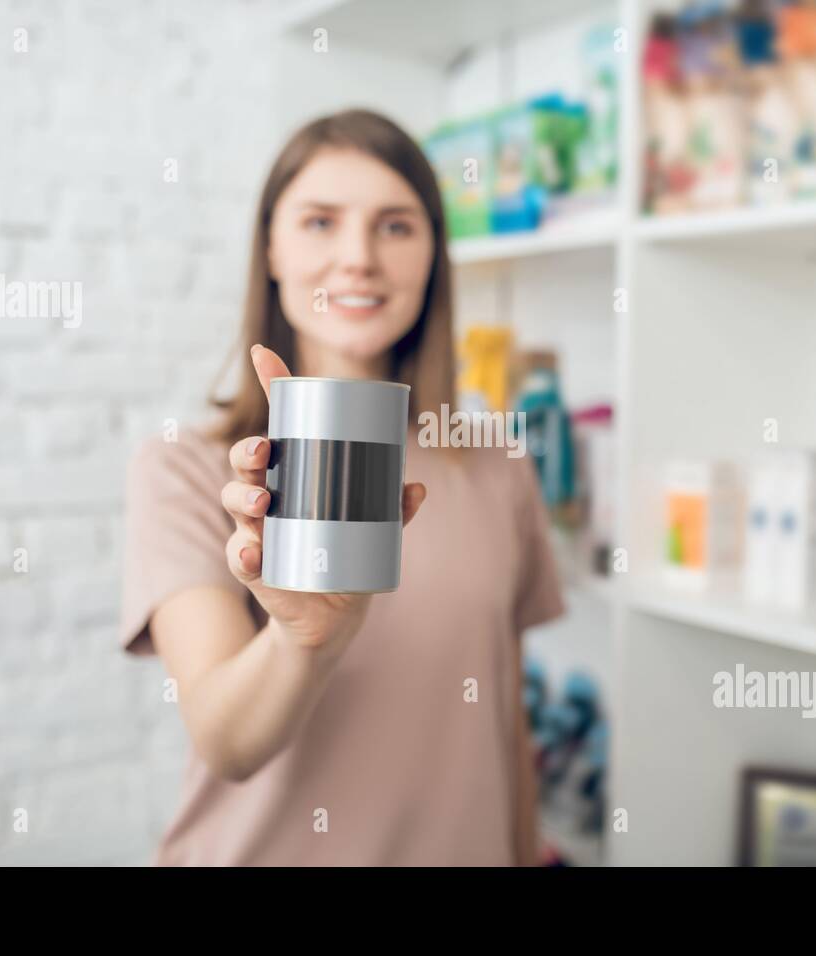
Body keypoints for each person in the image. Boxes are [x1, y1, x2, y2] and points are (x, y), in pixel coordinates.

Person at [119, 109, 567, 865]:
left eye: (395, 226)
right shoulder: (191, 471)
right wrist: (305, 642)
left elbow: (503, 717)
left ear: (433, 255)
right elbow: (226, 742)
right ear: (271, 248)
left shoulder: (494, 459)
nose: (358, 258)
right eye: (320, 222)